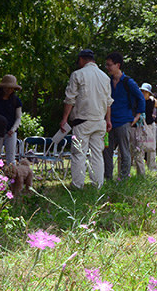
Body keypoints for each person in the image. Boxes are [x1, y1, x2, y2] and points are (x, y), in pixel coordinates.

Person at [60, 49, 113, 189]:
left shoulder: (78, 74)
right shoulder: (105, 77)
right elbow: (108, 102)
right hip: (100, 121)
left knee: (79, 153)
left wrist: (64, 118)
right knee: (97, 154)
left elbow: (70, 99)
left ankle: (78, 185)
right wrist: (108, 120)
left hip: (82, 121)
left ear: (82, 60)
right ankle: (98, 184)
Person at [102, 52, 145, 181]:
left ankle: (124, 178)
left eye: (110, 65)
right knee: (106, 151)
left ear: (118, 65)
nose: (107, 68)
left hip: (124, 121)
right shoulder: (107, 81)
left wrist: (137, 116)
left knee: (124, 151)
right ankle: (108, 178)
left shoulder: (128, 82)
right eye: (107, 65)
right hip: (109, 122)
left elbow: (141, 98)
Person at [137, 83, 157, 172]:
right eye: (142, 91)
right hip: (140, 126)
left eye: (146, 92)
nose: (143, 93)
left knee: (151, 147)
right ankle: (140, 170)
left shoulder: (152, 101)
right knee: (140, 148)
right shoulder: (138, 100)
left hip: (150, 126)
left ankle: (152, 168)